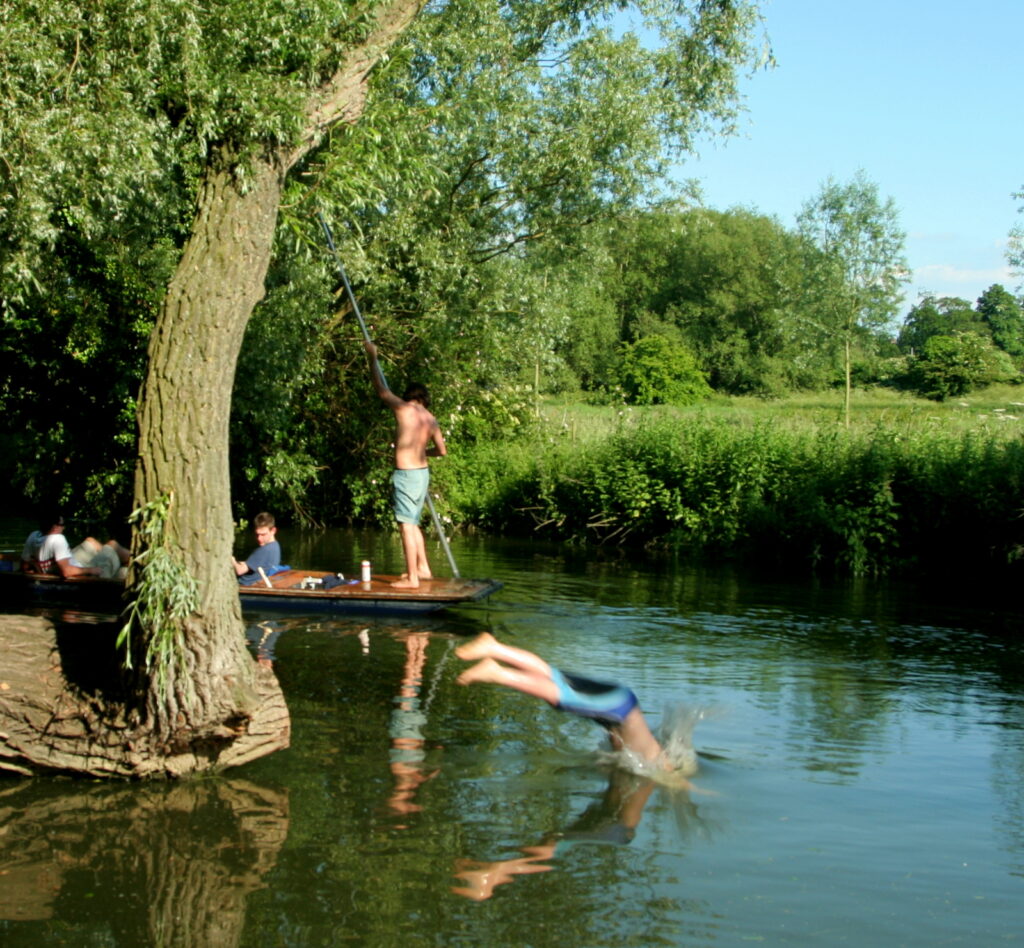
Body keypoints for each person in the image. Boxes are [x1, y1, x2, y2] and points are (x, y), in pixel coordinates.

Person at [455, 632, 664, 764]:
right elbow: (678, 782)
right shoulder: (661, 767)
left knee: (556, 677)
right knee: (564, 697)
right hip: (619, 709)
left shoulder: (655, 754)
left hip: (621, 702)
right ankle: (498, 673)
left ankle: (494, 647)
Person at [364, 340, 447, 589]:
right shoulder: (431, 419)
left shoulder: (405, 409)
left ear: (411, 397)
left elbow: (381, 391)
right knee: (414, 522)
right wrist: (423, 451)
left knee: (406, 527)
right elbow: (441, 451)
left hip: (408, 475)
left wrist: (372, 358)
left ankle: (412, 578)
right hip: (422, 474)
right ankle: (423, 569)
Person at [33, 514, 130, 579]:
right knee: (112, 545)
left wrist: (40, 569)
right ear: (54, 527)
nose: (64, 527)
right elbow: (66, 572)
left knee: (90, 541)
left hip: (71, 563)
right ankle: (134, 560)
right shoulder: (58, 539)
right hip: (84, 572)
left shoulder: (34, 536)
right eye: (62, 524)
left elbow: (24, 565)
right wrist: (91, 570)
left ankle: (117, 559)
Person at [233, 512, 280, 585]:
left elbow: (240, 571)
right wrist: (241, 563)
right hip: (261, 582)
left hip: (246, 585)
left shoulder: (264, 550)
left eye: (263, 534)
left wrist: (232, 560)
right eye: (257, 534)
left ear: (273, 531)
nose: (259, 538)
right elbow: (258, 563)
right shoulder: (275, 546)